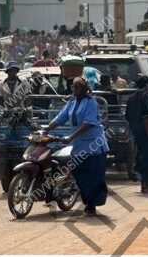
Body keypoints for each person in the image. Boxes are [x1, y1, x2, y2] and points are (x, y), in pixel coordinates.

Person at [42, 77, 109, 217]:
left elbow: (89, 123)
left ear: (84, 88)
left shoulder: (91, 102)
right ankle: (87, 202)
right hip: (79, 146)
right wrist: (46, 128)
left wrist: (71, 137)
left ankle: (91, 206)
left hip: (94, 146)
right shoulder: (71, 103)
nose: (75, 89)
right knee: (79, 174)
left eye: (78, 87)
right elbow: (60, 118)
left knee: (93, 177)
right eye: (73, 87)